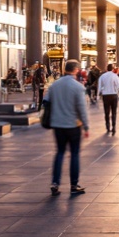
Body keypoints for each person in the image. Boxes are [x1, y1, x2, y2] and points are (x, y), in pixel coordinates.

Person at [46, 60, 89, 195]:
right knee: (74, 153)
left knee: (59, 152)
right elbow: (82, 109)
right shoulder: (78, 87)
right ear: (76, 70)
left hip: (57, 124)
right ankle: (74, 184)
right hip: (73, 125)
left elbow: (46, 101)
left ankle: (55, 183)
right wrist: (86, 126)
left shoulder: (54, 85)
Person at [97, 63, 119, 135]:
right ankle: (114, 127)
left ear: (107, 69)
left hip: (105, 95)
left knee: (106, 112)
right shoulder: (115, 76)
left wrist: (98, 95)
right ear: (113, 69)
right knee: (114, 112)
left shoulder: (102, 76)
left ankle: (108, 127)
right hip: (113, 95)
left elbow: (99, 86)